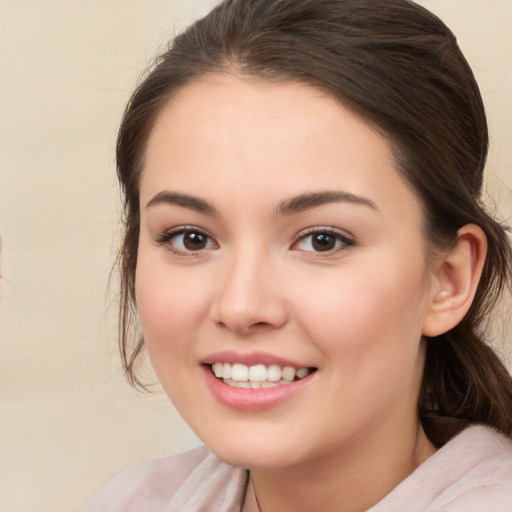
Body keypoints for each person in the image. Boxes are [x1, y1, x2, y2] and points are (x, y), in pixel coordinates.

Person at [84, 0, 512, 510]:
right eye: (191, 238)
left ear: (448, 279)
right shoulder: (134, 500)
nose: (241, 307)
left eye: (322, 240)